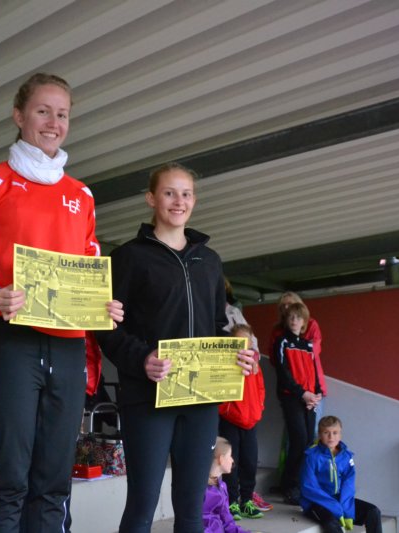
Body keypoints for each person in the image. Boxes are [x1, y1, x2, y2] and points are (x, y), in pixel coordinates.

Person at [0, 73, 124, 532]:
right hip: (12, 338)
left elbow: (88, 266)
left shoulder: (81, 195)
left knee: (55, 478)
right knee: (10, 477)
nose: (53, 122)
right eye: (43, 111)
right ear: (18, 116)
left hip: (68, 344)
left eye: (62, 114)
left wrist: (102, 305)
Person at [97, 162, 257, 533]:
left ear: (194, 201)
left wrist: (236, 354)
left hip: (200, 400)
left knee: (191, 507)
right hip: (147, 396)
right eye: (169, 193)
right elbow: (105, 326)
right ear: (151, 198)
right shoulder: (128, 257)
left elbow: (216, 327)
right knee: (142, 504)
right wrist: (142, 359)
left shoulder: (209, 261)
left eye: (186, 194)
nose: (178, 201)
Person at [273, 302, 322, 505]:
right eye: (291, 317)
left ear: (304, 322)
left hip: (309, 399)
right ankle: (289, 486)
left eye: (298, 317)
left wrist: (316, 395)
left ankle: (300, 484)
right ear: (286, 320)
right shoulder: (282, 342)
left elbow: (314, 373)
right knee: (299, 440)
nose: (294, 320)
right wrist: (302, 393)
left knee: (308, 441)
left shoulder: (308, 345)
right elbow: (283, 373)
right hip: (292, 397)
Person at [300, 416, 382, 533]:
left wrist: (347, 510)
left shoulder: (346, 456)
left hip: (339, 501)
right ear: (320, 435)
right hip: (316, 503)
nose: (331, 437)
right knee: (331, 522)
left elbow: (348, 485)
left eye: (335, 433)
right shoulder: (312, 456)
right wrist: (336, 507)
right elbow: (308, 487)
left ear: (340, 435)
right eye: (326, 433)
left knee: (373, 511)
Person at [218, 324, 266, 521]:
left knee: (250, 462)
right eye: (238, 341)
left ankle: (247, 501)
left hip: (250, 422)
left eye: (246, 341)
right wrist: (226, 409)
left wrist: (258, 409)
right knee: (231, 464)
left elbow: (261, 389)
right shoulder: (226, 362)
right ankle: (231, 502)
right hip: (230, 420)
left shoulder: (255, 364)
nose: (243, 345)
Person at [203, 437, 251, 533]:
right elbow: (202, 522)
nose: (232, 460)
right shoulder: (203, 490)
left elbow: (226, 518)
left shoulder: (222, 486)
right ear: (221, 459)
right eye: (230, 456)